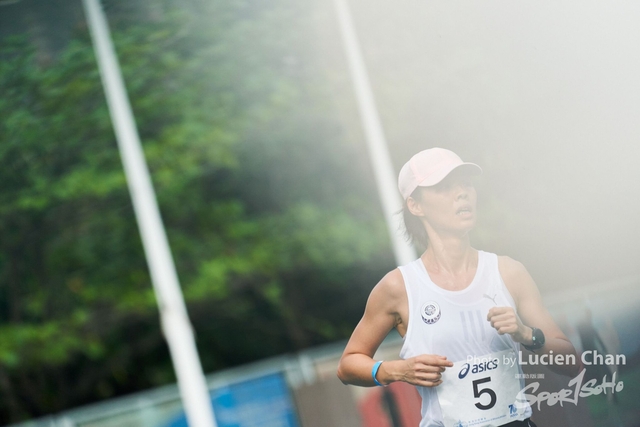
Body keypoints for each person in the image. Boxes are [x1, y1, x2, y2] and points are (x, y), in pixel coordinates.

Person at [337, 148, 580, 427]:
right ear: (416, 205)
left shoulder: (509, 272)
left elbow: (573, 363)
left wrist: (526, 334)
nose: (462, 193)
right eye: (444, 187)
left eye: (466, 183)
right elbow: (348, 365)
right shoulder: (398, 287)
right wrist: (396, 370)